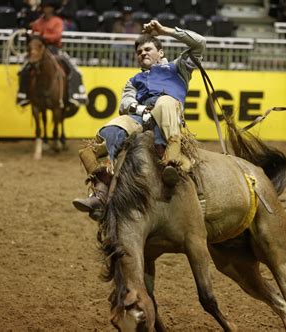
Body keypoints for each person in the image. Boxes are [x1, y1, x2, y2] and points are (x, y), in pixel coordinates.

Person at [72, 20, 206, 217]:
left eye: (148, 49)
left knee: (165, 103)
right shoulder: (133, 80)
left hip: (168, 115)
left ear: (160, 53)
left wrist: (164, 31)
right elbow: (124, 104)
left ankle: (172, 159)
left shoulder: (178, 68)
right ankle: (100, 192)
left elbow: (200, 42)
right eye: (139, 51)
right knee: (111, 128)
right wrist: (141, 109)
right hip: (140, 117)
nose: (143, 53)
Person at [16, 0, 87, 107]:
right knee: (24, 70)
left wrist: (42, 37)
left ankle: (75, 94)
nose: (46, 9)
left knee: (72, 69)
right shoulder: (38, 22)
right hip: (40, 49)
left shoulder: (57, 21)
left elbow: (57, 36)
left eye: (48, 7)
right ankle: (23, 94)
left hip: (54, 49)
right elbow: (33, 34)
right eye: (44, 7)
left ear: (53, 9)